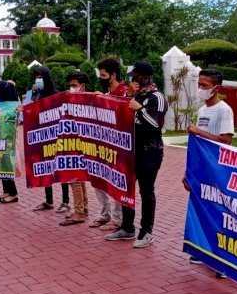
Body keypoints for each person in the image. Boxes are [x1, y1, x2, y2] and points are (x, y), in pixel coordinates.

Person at [106, 61, 168, 248]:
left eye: (136, 76)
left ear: (145, 77)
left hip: (150, 151)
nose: (132, 80)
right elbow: (119, 114)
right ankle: (127, 227)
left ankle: (146, 231)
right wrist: (130, 97)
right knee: (126, 188)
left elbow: (156, 124)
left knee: (146, 191)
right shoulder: (134, 95)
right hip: (130, 150)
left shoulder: (157, 97)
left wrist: (139, 108)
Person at [184, 69, 235, 275]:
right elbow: (197, 145)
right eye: (199, 84)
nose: (201, 89)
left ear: (216, 87)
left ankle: (224, 259)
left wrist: (199, 131)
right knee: (201, 207)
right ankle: (204, 249)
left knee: (219, 210)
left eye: (205, 85)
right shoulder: (204, 110)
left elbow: (226, 141)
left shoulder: (224, 110)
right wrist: (189, 171)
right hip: (202, 168)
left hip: (218, 169)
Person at [91, 58, 128, 230]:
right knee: (98, 179)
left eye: (104, 75)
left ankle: (117, 218)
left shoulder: (125, 93)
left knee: (117, 181)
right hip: (102, 144)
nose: (101, 78)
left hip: (119, 147)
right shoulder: (104, 95)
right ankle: (104, 213)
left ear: (113, 75)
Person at [30, 67, 71, 212]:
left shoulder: (55, 94)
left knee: (60, 168)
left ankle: (65, 201)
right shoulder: (37, 94)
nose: (37, 80)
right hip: (43, 137)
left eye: (40, 77)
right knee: (46, 168)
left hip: (57, 137)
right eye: (36, 77)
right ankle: (49, 200)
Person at [59, 71, 91, 226]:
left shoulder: (84, 100)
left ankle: (79, 212)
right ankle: (82, 209)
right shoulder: (75, 99)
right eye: (70, 85)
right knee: (80, 178)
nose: (71, 88)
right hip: (75, 143)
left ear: (82, 86)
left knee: (74, 178)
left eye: (74, 85)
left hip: (76, 144)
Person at [0, 80, 20, 198]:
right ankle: (6, 191)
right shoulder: (0, 104)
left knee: (7, 165)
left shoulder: (14, 105)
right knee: (1, 164)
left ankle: (13, 193)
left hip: (8, 140)